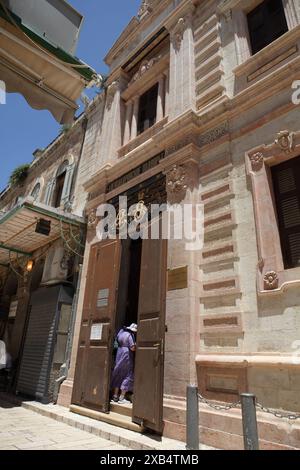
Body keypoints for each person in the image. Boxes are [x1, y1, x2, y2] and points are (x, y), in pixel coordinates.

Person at [111, 323, 137, 405]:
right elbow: (132, 348)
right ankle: (121, 397)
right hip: (126, 355)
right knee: (127, 375)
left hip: (119, 353)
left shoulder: (121, 333)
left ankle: (115, 396)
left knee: (118, 374)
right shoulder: (130, 335)